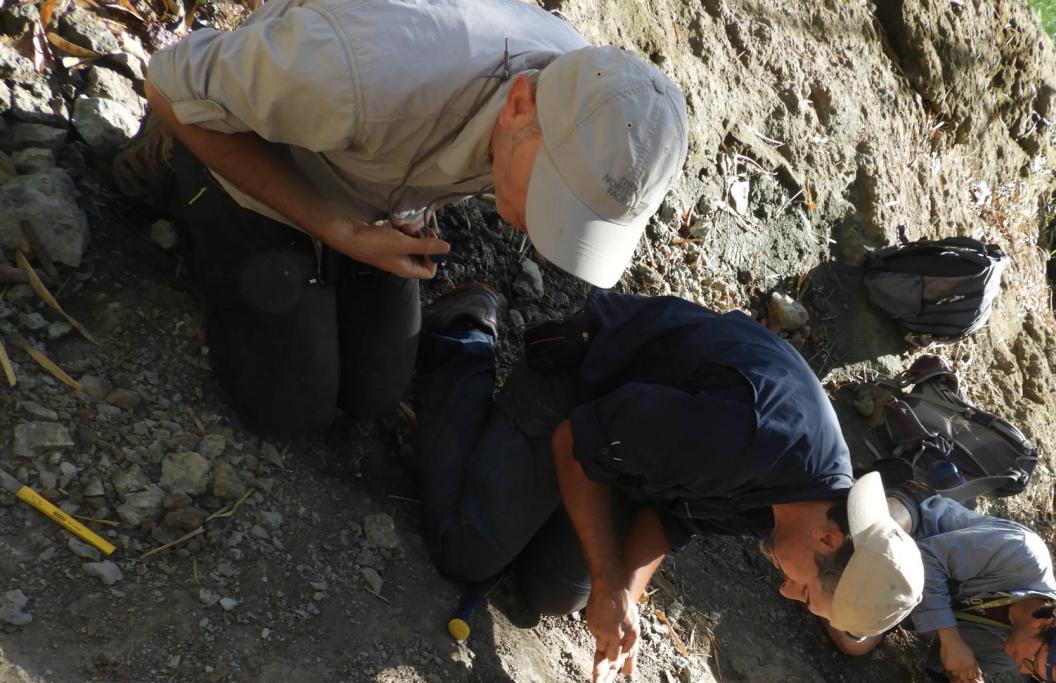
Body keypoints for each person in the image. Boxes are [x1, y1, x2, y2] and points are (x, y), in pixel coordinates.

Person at [129, 0, 687, 436]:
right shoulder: (357, 76)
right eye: (550, 196)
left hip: (367, 190)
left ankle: (320, 264)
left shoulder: (585, 93)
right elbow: (168, 84)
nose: (542, 232)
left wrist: (413, 208)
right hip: (250, 156)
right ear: (519, 104)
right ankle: (170, 174)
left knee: (375, 392)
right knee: (293, 408)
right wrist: (339, 232)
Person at [416, 287, 923, 683]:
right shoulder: (747, 438)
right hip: (582, 382)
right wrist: (606, 576)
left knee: (557, 593)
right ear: (828, 540)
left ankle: (516, 496)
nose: (787, 592)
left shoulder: (805, 498)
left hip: (632, 450)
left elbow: (676, 519)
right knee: (468, 550)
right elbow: (575, 441)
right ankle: (465, 334)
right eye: (806, 590)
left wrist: (624, 599)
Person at [786, 487, 1056, 683]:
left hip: (897, 598)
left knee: (853, 642)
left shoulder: (1008, 653)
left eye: (1034, 673)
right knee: (869, 540)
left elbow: (940, 657)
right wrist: (951, 638)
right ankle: (806, 556)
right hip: (912, 526)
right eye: (1033, 662)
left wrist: (956, 678)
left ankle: (810, 581)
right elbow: (926, 558)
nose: (1023, 670)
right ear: (1044, 624)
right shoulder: (1023, 556)